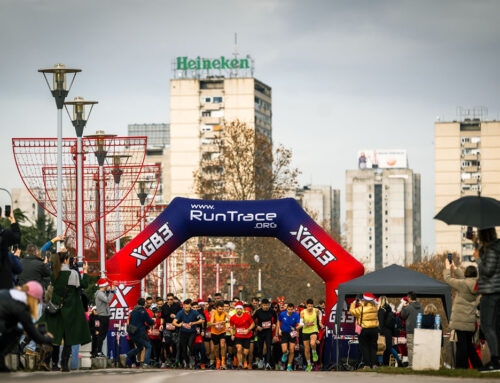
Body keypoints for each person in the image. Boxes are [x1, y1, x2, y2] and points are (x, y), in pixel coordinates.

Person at [38, 249, 91, 372]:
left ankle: (53, 364)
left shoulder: (54, 273)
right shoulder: (73, 273)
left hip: (56, 309)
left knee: (55, 338)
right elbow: (83, 285)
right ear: (67, 260)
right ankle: (65, 365)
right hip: (70, 309)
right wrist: (86, 271)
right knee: (69, 337)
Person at [0, 281, 54, 372]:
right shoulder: (21, 306)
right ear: (33, 298)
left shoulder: (12, 295)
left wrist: (35, 329)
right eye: (37, 300)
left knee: (15, 331)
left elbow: (20, 326)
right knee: (15, 332)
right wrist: (48, 339)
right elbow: (33, 333)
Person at [443, 259, 482, 369]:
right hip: (470, 321)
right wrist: (455, 268)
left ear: (466, 274)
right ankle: (478, 366)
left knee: (461, 346)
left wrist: (447, 268)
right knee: (469, 345)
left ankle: (461, 367)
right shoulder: (476, 285)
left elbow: (448, 279)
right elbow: (465, 281)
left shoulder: (463, 284)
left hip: (460, 320)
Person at [473, 227, 500, 371]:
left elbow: (487, 270)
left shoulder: (492, 250)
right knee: (495, 326)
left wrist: (477, 258)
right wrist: (476, 245)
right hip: (496, 291)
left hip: (490, 292)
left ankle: (495, 360)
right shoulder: (496, 248)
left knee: (486, 325)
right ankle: (496, 358)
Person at [350, 293, 379, 369]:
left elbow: (352, 311)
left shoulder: (361, 309)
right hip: (374, 329)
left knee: (365, 347)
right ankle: (374, 364)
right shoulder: (375, 308)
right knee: (373, 347)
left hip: (364, 330)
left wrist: (353, 304)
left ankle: (367, 364)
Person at [173, 299, 204, 369]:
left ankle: (194, 357)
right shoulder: (180, 313)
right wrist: (180, 325)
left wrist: (193, 323)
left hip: (192, 332)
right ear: (183, 306)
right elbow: (174, 322)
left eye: (189, 307)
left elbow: (202, 319)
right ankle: (186, 362)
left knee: (190, 345)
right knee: (183, 348)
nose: (188, 309)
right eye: (186, 307)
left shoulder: (194, 312)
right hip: (183, 332)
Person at [126, 297, 155, 368]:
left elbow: (130, 321)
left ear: (137, 303)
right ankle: (145, 364)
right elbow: (149, 322)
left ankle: (125, 356)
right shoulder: (143, 311)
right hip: (139, 333)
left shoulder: (133, 311)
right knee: (148, 346)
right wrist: (153, 320)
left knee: (140, 347)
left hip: (132, 333)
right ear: (144, 304)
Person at [93, 278, 115, 357]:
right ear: (104, 286)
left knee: (103, 334)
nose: (108, 286)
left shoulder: (102, 293)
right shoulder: (100, 294)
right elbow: (108, 300)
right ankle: (98, 351)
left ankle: (98, 351)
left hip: (104, 315)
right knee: (102, 334)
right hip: (103, 315)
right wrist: (112, 292)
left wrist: (109, 291)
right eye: (107, 285)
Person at [253, 298, 276, 370]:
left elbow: (275, 317)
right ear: (261, 305)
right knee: (260, 347)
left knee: (269, 347)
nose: (266, 307)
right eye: (264, 305)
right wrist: (257, 326)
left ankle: (268, 363)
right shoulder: (258, 312)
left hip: (268, 331)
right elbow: (251, 319)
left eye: (267, 305)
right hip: (260, 331)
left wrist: (274, 324)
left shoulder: (271, 311)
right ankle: (261, 359)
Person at [401, 291, 422, 368]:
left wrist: (403, 306)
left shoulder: (408, 307)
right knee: (418, 347)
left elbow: (403, 315)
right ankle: (418, 364)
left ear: (409, 298)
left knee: (410, 348)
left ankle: (411, 365)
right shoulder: (421, 307)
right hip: (419, 330)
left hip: (410, 330)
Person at [300, 298, 323, 371]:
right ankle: (309, 364)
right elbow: (300, 323)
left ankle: (314, 352)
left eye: (311, 306)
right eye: (308, 306)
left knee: (312, 343)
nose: (310, 308)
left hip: (314, 329)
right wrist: (305, 323)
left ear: (313, 305)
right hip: (305, 331)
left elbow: (320, 313)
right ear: (306, 305)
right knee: (306, 349)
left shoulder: (315, 310)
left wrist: (319, 321)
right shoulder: (302, 312)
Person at [230, 303, 254, 369]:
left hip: (247, 336)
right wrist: (232, 334)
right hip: (238, 336)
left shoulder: (247, 316)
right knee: (239, 348)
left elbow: (253, 324)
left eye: (240, 309)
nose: (239, 310)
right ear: (236, 310)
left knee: (245, 352)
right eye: (237, 309)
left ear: (242, 309)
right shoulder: (233, 318)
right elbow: (231, 327)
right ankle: (240, 364)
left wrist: (248, 330)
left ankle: (244, 360)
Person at [0, 212, 21, 290]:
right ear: (0, 217)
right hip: (4, 290)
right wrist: (13, 220)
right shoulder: (8, 256)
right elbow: (18, 269)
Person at [278, 302, 301, 371]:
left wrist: (296, 328)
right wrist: (279, 329)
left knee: (292, 350)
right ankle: (285, 354)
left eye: (291, 309)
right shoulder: (282, 314)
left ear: (293, 309)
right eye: (289, 309)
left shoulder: (296, 315)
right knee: (284, 350)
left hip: (292, 333)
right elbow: (278, 321)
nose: (290, 311)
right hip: (284, 333)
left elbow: (300, 325)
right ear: (287, 309)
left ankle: (289, 365)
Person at [160, 292, 181, 367]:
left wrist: (175, 316)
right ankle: (169, 357)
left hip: (175, 327)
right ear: (166, 300)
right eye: (168, 299)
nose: (170, 301)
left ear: (173, 299)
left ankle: (175, 359)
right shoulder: (164, 306)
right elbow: (162, 317)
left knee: (175, 344)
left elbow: (180, 316)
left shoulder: (177, 306)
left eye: (171, 299)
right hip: (167, 327)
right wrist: (161, 325)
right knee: (166, 343)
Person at [210, 301, 229, 369]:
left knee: (222, 344)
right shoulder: (213, 312)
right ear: (217, 308)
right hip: (214, 332)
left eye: (222, 309)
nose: (221, 310)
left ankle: (223, 362)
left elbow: (231, 318)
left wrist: (225, 321)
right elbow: (211, 323)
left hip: (222, 331)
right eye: (219, 309)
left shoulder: (224, 312)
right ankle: (218, 360)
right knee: (216, 348)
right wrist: (217, 323)